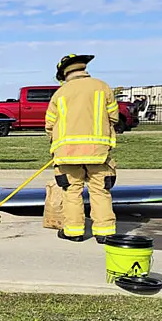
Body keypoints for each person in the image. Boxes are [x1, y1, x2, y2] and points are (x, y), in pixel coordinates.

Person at [45, 54, 118, 243]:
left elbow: (49, 124)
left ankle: (74, 231)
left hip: (67, 154)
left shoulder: (60, 94)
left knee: (71, 192)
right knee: (100, 191)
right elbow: (114, 117)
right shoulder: (102, 87)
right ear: (83, 69)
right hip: (98, 153)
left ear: (63, 74)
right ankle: (105, 232)